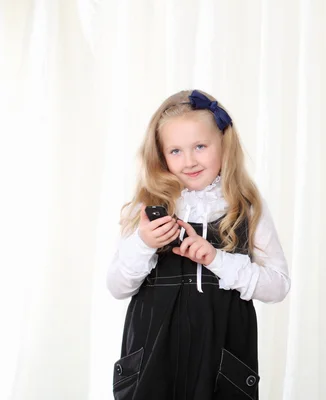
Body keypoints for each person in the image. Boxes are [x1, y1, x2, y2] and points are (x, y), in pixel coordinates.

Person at [107, 89, 290, 400]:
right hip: (152, 364)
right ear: (160, 155)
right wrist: (144, 243)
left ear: (224, 145)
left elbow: (279, 286)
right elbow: (117, 287)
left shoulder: (246, 207)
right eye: (175, 151)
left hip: (222, 366)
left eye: (200, 147)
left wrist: (217, 259)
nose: (189, 161)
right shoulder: (149, 208)